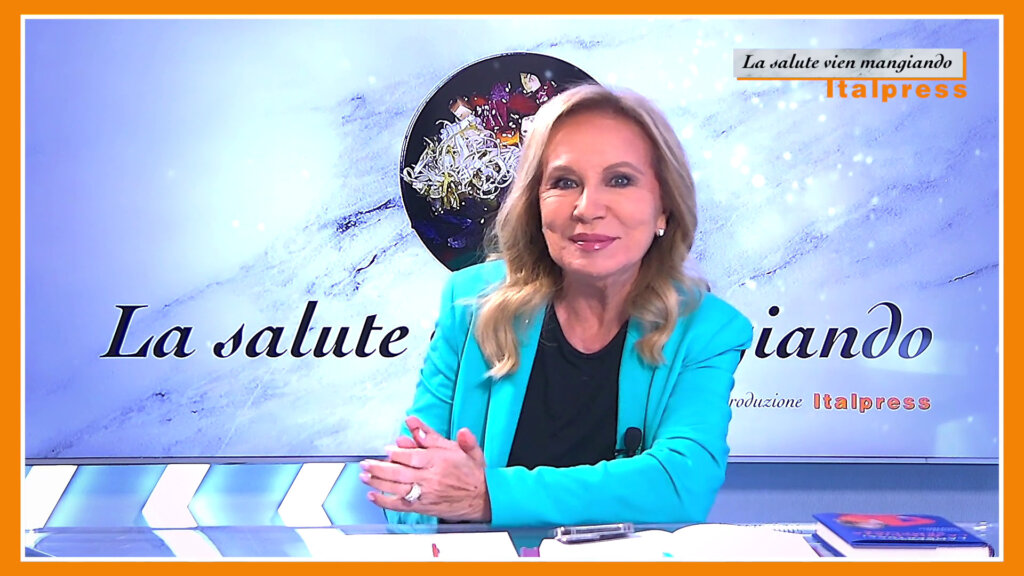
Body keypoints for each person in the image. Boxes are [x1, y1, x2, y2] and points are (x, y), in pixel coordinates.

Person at [359, 83, 753, 527]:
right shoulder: (470, 303)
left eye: (620, 180)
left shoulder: (707, 329)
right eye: (564, 182)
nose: (587, 208)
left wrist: (488, 497)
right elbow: (409, 488)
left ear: (664, 208)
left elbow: (680, 486)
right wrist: (427, 499)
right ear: (535, 205)